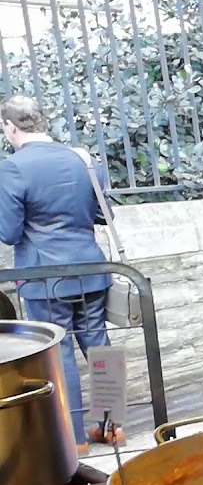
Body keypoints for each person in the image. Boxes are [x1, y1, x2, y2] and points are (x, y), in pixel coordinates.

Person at [0, 95, 112, 444]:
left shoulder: (13, 167)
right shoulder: (83, 160)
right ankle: (112, 426)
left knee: (58, 352)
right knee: (100, 345)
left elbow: (8, 232)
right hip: (91, 267)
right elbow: (102, 213)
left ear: (10, 126)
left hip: (44, 277)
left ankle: (74, 437)